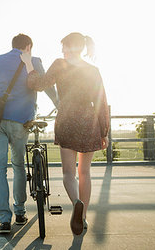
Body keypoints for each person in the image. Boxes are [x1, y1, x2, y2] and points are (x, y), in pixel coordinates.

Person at [20, 32, 109, 235]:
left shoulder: (60, 64)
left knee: (68, 173)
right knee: (84, 172)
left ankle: (76, 202)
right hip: (89, 121)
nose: (62, 51)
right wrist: (104, 132)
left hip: (67, 120)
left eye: (64, 47)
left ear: (70, 47)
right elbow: (102, 102)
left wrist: (28, 64)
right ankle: (83, 217)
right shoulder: (93, 70)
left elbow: (38, 84)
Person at [0, 33, 59, 234]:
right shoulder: (34, 61)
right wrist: (58, 104)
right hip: (21, 120)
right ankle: (19, 212)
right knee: (18, 165)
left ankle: (4, 220)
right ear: (28, 47)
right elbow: (47, 87)